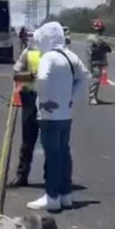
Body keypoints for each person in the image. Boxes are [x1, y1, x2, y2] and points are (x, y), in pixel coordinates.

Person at [26, 21, 90, 212]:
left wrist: (44, 101)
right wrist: (71, 97)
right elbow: (85, 76)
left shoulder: (49, 57)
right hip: (65, 115)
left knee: (52, 156)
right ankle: (65, 194)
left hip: (49, 115)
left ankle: (51, 197)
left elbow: (43, 78)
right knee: (64, 154)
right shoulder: (70, 56)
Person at [7, 39, 41, 188]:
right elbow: (17, 75)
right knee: (27, 140)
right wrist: (31, 76)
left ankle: (54, 178)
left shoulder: (58, 55)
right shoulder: (30, 53)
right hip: (30, 99)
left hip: (50, 101)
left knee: (52, 143)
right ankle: (22, 175)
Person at [86, 19, 112, 105]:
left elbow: (107, 48)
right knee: (95, 79)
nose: (100, 31)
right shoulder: (93, 38)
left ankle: (94, 97)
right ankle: (92, 97)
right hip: (94, 61)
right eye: (99, 30)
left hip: (99, 61)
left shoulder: (97, 38)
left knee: (97, 80)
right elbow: (105, 47)